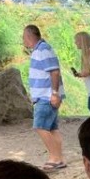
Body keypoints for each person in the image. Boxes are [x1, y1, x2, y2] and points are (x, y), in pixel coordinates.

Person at [23, 24, 66, 171]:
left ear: (29, 36)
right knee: (52, 128)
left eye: (24, 37)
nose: (23, 41)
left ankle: (54, 158)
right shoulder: (40, 49)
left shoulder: (43, 50)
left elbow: (54, 71)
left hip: (46, 96)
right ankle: (59, 159)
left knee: (40, 127)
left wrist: (54, 93)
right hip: (45, 96)